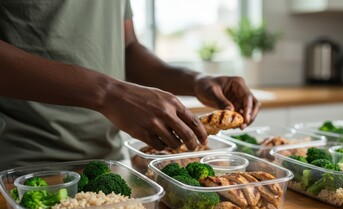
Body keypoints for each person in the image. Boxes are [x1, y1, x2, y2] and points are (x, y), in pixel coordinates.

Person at [0, 0, 260, 170]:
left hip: (108, 163)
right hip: (21, 167)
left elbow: (128, 48)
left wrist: (196, 81)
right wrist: (109, 93)